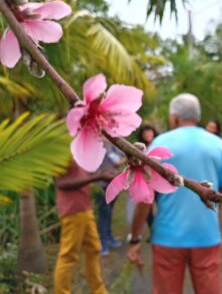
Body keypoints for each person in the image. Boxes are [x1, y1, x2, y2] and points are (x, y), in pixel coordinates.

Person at [127, 93, 222, 294]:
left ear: (174, 117)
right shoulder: (218, 145)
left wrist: (135, 239)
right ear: (197, 116)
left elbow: (146, 198)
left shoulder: (160, 144)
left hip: (167, 238)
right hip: (206, 237)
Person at [54, 160, 114, 294]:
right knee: (68, 255)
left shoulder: (77, 148)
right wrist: (97, 177)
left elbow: (80, 174)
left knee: (94, 248)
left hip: (85, 207)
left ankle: (98, 290)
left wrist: (98, 173)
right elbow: (61, 183)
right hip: (72, 209)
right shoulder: (61, 151)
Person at [126, 124, 159, 229]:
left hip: (158, 180)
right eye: (145, 133)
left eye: (149, 131)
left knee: (160, 205)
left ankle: (159, 228)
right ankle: (152, 229)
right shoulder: (139, 148)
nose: (147, 134)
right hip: (145, 181)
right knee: (146, 207)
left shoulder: (160, 144)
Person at [96, 141, 125, 256]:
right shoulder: (94, 145)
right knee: (104, 212)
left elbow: (124, 157)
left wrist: (119, 163)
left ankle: (109, 237)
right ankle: (103, 242)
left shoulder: (112, 144)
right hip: (99, 184)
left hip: (114, 182)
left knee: (109, 211)